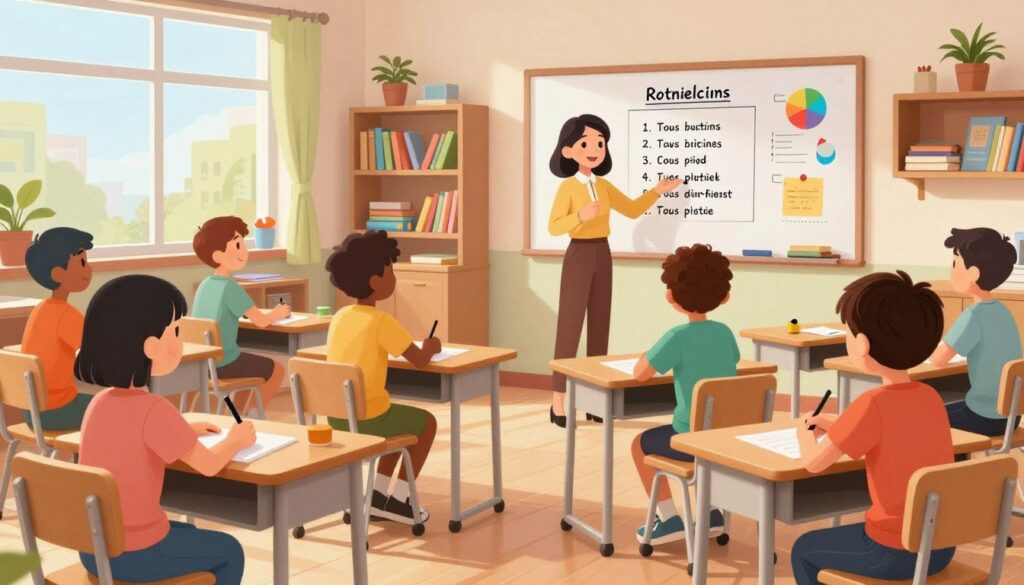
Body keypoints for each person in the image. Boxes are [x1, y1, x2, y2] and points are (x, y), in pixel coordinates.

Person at [76, 275, 256, 584]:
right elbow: (209, 465)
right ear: (150, 345)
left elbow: (129, 437)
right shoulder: (153, 408)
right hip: (134, 554)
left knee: (189, 532)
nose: (180, 339)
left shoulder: (99, 402)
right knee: (229, 550)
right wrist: (237, 440)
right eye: (175, 331)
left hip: (93, 548)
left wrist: (183, 430)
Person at [793, 271, 954, 584]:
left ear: (862, 344)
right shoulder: (930, 397)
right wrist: (836, 424)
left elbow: (813, 463)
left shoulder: (872, 404)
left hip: (893, 553)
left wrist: (804, 433)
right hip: (940, 546)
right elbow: (896, 434)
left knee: (803, 549)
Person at [547, 113, 684, 427]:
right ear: (568, 151)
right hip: (579, 253)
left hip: (602, 252)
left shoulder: (603, 184)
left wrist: (657, 191)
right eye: (586, 143)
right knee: (569, 329)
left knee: (599, 327)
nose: (594, 148)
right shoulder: (568, 188)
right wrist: (580, 215)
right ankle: (558, 403)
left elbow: (632, 209)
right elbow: (554, 227)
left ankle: (595, 399)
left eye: (600, 142)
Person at [324, 230, 440, 522]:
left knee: (398, 426)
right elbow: (421, 361)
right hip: (369, 417)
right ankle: (401, 499)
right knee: (426, 424)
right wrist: (431, 346)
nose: (394, 277)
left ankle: (375, 496)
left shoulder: (339, 317)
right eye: (390, 270)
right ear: (376, 281)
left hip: (336, 416)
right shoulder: (382, 321)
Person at [631, 244, 736, 545]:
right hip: (724, 438)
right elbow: (733, 360)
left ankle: (669, 518)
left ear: (672, 297)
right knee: (705, 429)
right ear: (723, 296)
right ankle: (713, 512)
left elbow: (641, 373)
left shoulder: (676, 337)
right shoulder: (725, 333)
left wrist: (647, 355)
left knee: (640, 445)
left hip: (690, 440)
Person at [930, 227, 1022, 435]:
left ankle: (950, 466)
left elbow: (938, 360)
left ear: (973, 273)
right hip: (1011, 416)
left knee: (926, 416)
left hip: (983, 416)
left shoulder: (974, 315)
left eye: (955, 264)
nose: (952, 270)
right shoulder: (1002, 311)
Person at [192, 216, 288, 415]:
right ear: (218, 255)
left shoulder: (205, 284)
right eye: (236, 245)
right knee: (277, 369)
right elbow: (261, 321)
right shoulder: (230, 287)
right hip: (224, 363)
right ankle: (254, 412)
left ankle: (242, 414)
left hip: (203, 365)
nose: (243, 251)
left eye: (242, 244)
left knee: (249, 368)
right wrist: (277, 313)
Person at [20, 227, 94, 429]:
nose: (88, 269)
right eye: (82, 262)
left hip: (30, 409)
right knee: (111, 408)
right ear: (58, 273)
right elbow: (97, 349)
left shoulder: (40, 309)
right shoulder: (65, 313)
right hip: (55, 410)